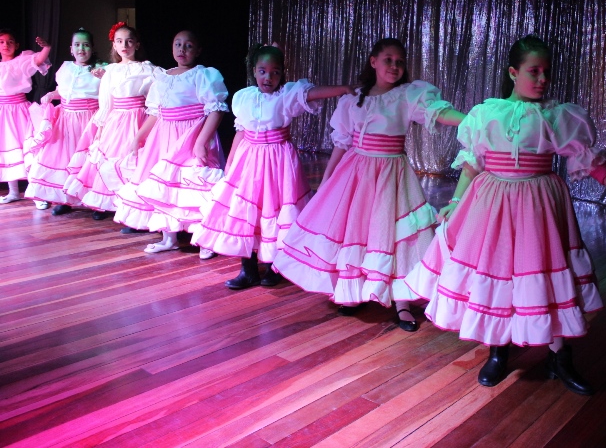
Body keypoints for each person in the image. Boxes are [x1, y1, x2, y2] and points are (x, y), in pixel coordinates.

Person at [405, 34, 606, 392]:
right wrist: (457, 200)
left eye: (546, 72)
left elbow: (589, 161)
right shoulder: (487, 113)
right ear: (513, 72)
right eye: (534, 71)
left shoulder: (557, 116)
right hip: (493, 203)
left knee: (541, 273)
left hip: (538, 204)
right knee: (498, 272)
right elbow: (473, 163)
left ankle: (559, 356)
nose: (542, 79)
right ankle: (499, 349)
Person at [273, 38, 465, 332]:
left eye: (400, 62)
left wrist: (469, 119)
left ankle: (402, 301)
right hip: (357, 173)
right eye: (388, 60)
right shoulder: (354, 99)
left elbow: (436, 112)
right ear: (373, 61)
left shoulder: (407, 95)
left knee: (396, 236)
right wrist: (327, 179)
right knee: (357, 231)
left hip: (391, 175)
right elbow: (342, 142)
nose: (395, 66)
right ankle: (354, 291)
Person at [191, 43, 355, 286]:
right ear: (254, 71)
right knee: (249, 211)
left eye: (275, 72)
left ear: (282, 74)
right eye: (263, 71)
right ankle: (248, 268)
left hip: (278, 161)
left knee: (275, 209)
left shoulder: (286, 95)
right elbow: (241, 131)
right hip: (250, 160)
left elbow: (312, 93)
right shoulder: (244, 97)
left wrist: (343, 88)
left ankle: (274, 266)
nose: (268, 77)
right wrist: (231, 162)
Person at [110, 30, 228, 256]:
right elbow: (156, 112)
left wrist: (201, 142)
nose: (182, 49)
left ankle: (205, 238)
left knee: (194, 184)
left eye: (188, 46)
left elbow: (216, 109)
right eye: (178, 44)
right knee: (166, 187)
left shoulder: (202, 75)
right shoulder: (163, 76)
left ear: (198, 50)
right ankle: (169, 238)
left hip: (190, 136)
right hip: (164, 138)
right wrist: (139, 136)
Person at [63, 22, 158, 221]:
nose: (125, 45)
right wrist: (100, 129)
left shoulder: (148, 69)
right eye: (120, 41)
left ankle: (132, 206)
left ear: (137, 44)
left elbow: (154, 99)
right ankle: (105, 202)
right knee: (109, 159)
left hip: (138, 118)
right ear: (114, 45)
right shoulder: (111, 71)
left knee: (134, 160)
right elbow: (106, 103)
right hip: (117, 121)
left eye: (129, 41)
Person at [25, 28, 104, 213]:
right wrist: (52, 94)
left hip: (88, 119)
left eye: (86, 45)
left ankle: (95, 202)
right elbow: (63, 90)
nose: (81, 49)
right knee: (65, 158)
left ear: (92, 48)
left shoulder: (101, 68)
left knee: (88, 159)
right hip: (66, 119)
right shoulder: (66, 67)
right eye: (77, 45)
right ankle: (66, 198)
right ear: (71, 49)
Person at [0, 29, 50, 203]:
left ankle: (36, 193)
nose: (6, 45)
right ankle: (13, 192)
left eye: (10, 42)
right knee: (8, 148)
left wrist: (47, 47)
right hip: (3, 112)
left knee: (27, 148)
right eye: (1, 42)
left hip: (20, 110)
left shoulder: (21, 61)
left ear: (16, 45)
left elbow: (39, 59)